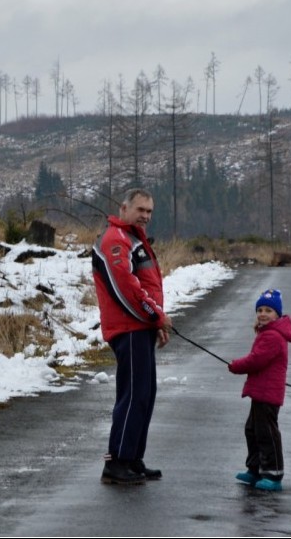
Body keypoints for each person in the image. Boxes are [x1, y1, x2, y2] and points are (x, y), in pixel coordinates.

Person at [92, 188, 172, 485]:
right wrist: (156, 316)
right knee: (132, 395)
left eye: (150, 212)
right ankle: (117, 462)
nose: (146, 216)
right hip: (128, 328)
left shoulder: (134, 239)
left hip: (142, 326)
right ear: (124, 208)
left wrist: (156, 322)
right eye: (141, 210)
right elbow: (126, 288)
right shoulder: (116, 240)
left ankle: (133, 457)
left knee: (145, 394)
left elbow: (146, 285)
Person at [228, 289, 291, 492]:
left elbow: (256, 360)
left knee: (267, 433)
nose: (263, 314)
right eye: (259, 310)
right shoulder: (266, 333)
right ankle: (255, 469)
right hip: (261, 391)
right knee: (252, 430)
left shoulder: (273, 336)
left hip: (268, 394)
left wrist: (236, 366)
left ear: (277, 314)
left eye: (268, 310)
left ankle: (273, 473)